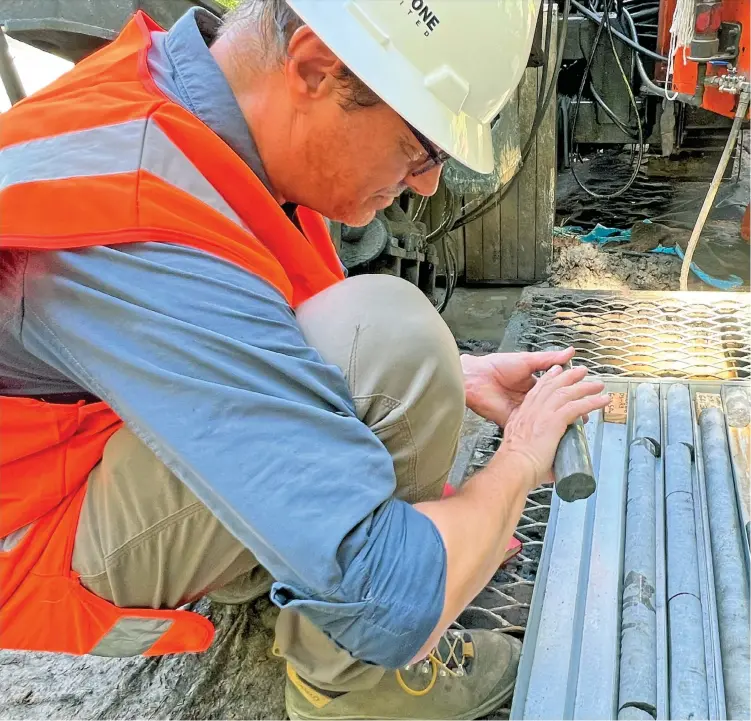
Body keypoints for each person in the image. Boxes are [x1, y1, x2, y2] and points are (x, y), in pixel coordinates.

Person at [0, 1, 610, 718]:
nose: (426, 184)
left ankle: (278, 560)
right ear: (316, 68)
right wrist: (519, 460)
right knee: (394, 340)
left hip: (89, 442)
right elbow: (391, 594)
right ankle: (352, 686)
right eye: (423, 148)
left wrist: (456, 376)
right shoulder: (134, 211)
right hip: (36, 542)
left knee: (400, 354)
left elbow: (250, 324)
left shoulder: (191, 106)